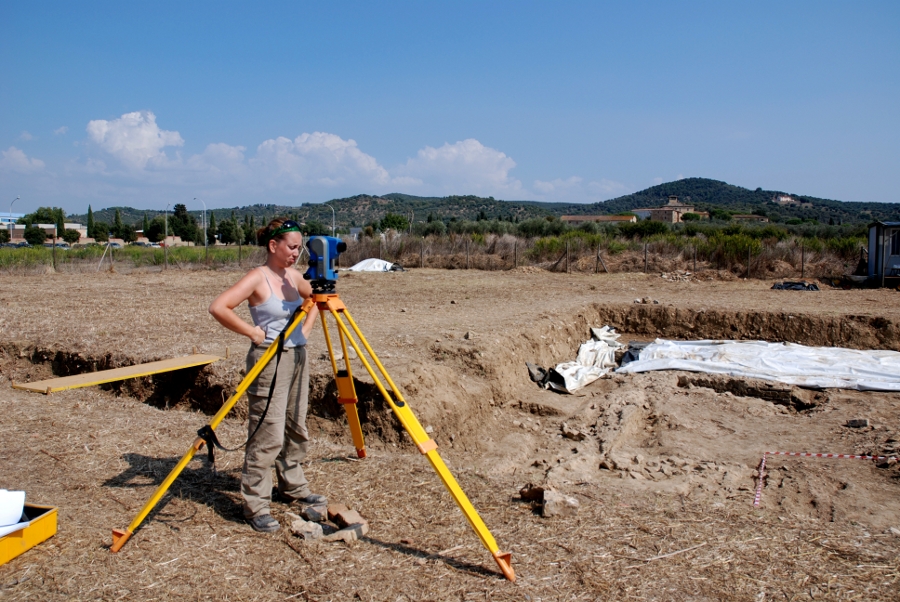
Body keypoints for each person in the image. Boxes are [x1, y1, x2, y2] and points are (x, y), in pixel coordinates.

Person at [209, 218, 324, 533]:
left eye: (300, 248)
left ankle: (293, 487)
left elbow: (316, 297)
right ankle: (256, 504)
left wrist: (306, 329)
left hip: (297, 357)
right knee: (268, 432)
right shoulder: (257, 278)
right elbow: (219, 306)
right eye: (291, 247)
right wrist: (252, 332)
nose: (296, 254)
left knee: (295, 425)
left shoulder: (293, 276)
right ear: (273, 246)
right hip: (268, 360)